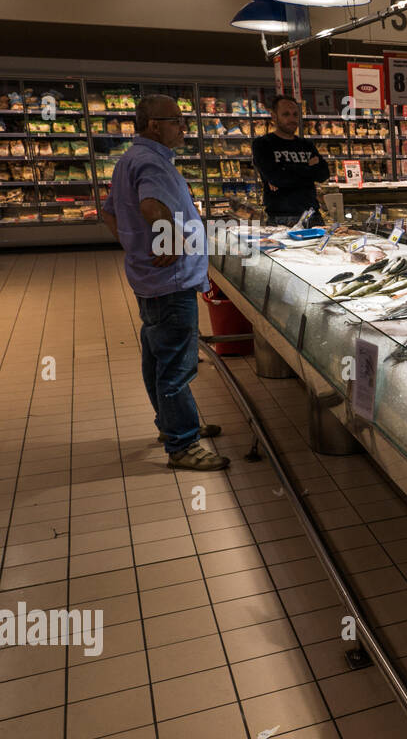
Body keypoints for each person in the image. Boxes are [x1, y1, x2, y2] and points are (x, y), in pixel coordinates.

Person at [101, 94, 228, 471]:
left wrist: (134, 245)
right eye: (176, 120)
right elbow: (152, 206)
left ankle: (171, 425)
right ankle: (182, 445)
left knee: (156, 357)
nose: (184, 126)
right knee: (176, 364)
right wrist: (170, 237)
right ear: (154, 125)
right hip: (171, 284)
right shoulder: (152, 162)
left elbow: (108, 211)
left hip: (150, 279)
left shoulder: (129, 160)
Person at [252, 94, 330, 226]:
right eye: (286, 114)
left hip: (313, 216)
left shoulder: (307, 144)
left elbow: (323, 174)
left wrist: (287, 170)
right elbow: (278, 178)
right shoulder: (263, 144)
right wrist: (309, 168)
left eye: (295, 114)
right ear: (274, 117)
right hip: (281, 218)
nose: (292, 119)